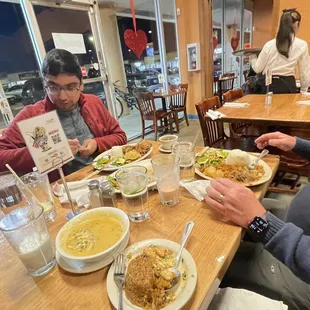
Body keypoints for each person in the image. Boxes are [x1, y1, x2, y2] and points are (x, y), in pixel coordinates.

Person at [205, 132, 310, 309]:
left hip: (300, 273)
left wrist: (260, 223)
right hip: (297, 229)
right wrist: (300, 145)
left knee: (210, 260)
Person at [0, 49, 127, 180]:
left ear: (81, 84)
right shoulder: (31, 114)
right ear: (45, 84)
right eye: (53, 87)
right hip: (64, 187)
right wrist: (44, 153)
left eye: (71, 87)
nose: (62, 97)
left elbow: (120, 136)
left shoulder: (93, 103)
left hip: (104, 175)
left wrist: (97, 143)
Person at [251, 8, 309, 94]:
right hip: (288, 87)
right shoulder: (302, 45)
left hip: (267, 86)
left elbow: (258, 69)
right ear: (296, 24)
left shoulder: (269, 45)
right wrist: (304, 91)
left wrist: (253, 57)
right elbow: (304, 72)